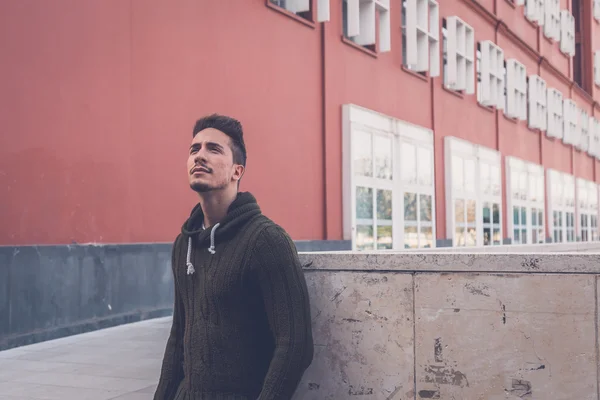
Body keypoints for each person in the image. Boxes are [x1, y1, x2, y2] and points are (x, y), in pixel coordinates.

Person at [154, 114, 314, 400]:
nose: (199, 156)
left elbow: (295, 345)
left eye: (213, 149)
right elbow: (178, 338)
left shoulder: (266, 240)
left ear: (236, 171)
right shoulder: (183, 244)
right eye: (194, 149)